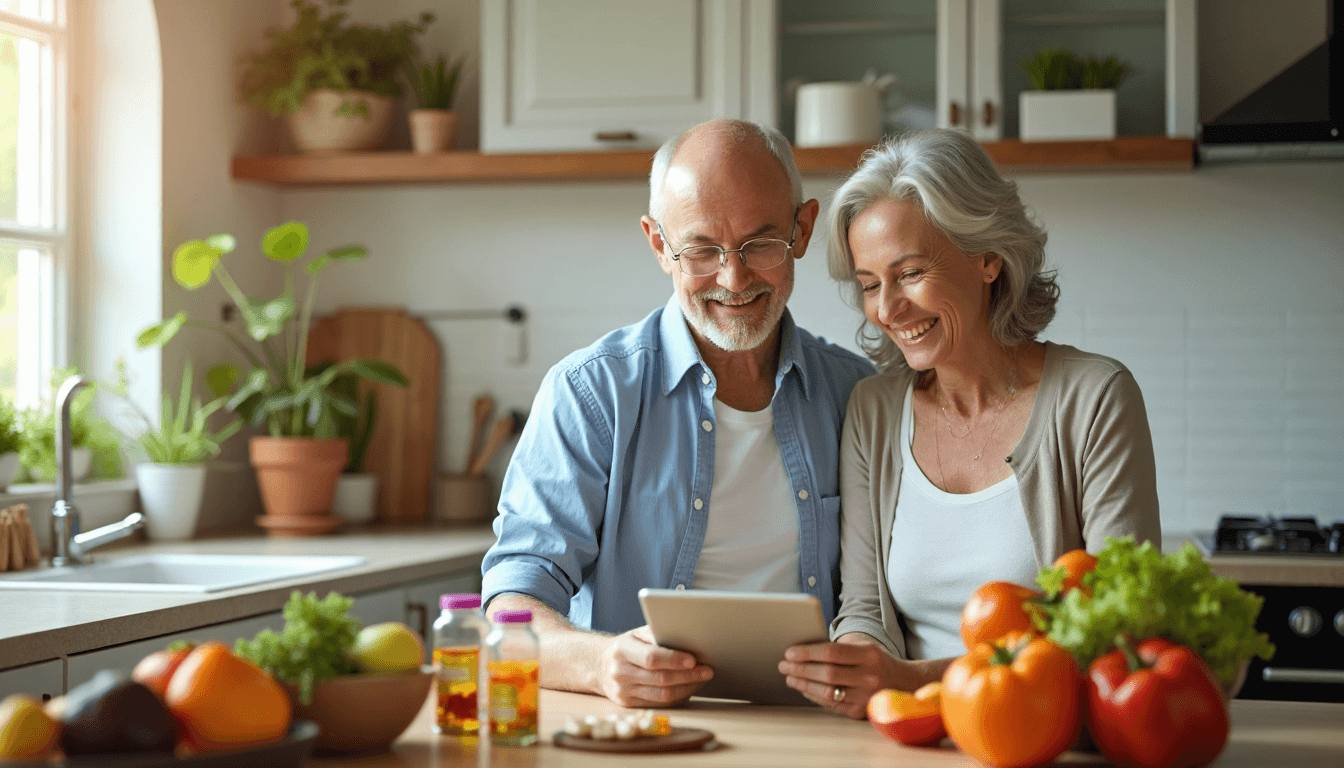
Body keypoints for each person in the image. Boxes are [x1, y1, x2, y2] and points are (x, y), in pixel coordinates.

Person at [480, 119, 876, 707]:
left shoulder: (859, 395)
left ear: (803, 228)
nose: (733, 277)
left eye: (759, 243)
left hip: (818, 729)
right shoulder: (589, 394)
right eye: (701, 249)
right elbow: (510, 611)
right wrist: (599, 664)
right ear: (659, 244)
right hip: (644, 734)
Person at [777, 129, 1161, 718]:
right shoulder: (874, 412)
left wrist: (915, 677)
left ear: (988, 257)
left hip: (1046, 739)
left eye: (909, 273)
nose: (888, 310)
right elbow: (863, 609)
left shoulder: (1094, 399)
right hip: (906, 740)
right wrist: (856, 666)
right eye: (870, 285)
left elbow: (1120, 629)